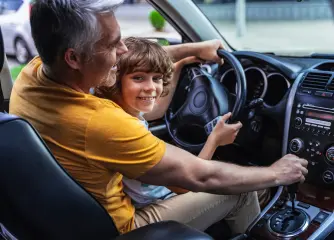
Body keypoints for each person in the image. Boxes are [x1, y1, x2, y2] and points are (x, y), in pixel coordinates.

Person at [9, 0, 308, 235]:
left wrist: (193, 49)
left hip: (67, 219)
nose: (122, 49)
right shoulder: (102, 124)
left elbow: (129, 62)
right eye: (113, 44)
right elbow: (200, 176)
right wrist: (277, 173)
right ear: (73, 58)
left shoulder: (34, 75)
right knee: (241, 193)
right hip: (123, 229)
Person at [94, 37, 243, 208]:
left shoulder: (119, 110)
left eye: (156, 78)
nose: (151, 87)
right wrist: (215, 140)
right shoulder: (127, 129)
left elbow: (157, 109)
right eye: (138, 78)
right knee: (239, 188)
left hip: (151, 194)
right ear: (115, 80)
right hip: (153, 203)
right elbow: (185, 185)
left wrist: (180, 65)